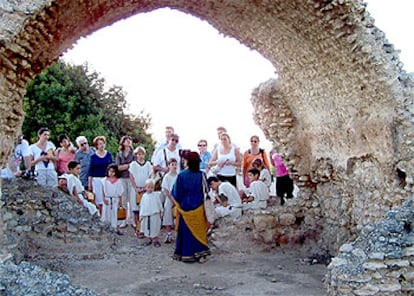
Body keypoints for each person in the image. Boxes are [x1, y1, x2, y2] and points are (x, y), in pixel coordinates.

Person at [171, 151, 211, 263]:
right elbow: (206, 190)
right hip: (198, 207)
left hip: (185, 208)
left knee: (187, 232)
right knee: (199, 231)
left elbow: (176, 193)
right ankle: (201, 255)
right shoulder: (202, 175)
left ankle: (186, 254)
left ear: (188, 161)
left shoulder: (181, 175)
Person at [129, 146, 152, 238]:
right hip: (136, 190)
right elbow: (131, 177)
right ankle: (137, 229)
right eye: (139, 154)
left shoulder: (148, 164)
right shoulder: (133, 164)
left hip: (146, 189)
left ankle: (145, 229)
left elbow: (150, 176)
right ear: (136, 155)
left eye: (142, 154)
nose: (140, 156)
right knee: (136, 211)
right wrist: (136, 188)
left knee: (145, 210)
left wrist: (146, 188)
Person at [88, 136, 113, 214]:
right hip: (97, 180)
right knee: (99, 200)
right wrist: (90, 183)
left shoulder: (108, 155)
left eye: (103, 143)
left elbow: (112, 167)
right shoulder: (93, 157)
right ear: (96, 146)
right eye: (100, 144)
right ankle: (101, 217)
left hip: (107, 179)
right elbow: (90, 171)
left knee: (108, 198)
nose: (102, 145)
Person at [115, 135, 136, 228]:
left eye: (129, 140)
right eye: (126, 140)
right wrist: (128, 165)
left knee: (132, 200)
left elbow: (135, 166)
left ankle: (132, 220)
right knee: (123, 199)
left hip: (132, 178)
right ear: (123, 142)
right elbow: (118, 167)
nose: (128, 142)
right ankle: (123, 220)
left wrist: (125, 166)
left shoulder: (134, 154)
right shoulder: (119, 154)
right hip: (122, 178)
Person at [101, 164, 124, 235]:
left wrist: (120, 202)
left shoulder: (118, 181)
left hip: (115, 199)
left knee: (115, 213)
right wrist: (103, 199)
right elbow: (102, 191)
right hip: (107, 199)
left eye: (113, 172)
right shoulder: (104, 180)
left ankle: (116, 228)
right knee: (106, 213)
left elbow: (120, 193)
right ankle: (106, 228)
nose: (111, 173)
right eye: (110, 171)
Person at [139, 178, 163, 247]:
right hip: (146, 214)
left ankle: (156, 240)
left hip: (154, 214)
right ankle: (149, 239)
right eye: (148, 187)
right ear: (145, 187)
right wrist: (141, 215)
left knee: (155, 227)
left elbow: (159, 204)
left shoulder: (156, 195)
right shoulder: (144, 196)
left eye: (152, 187)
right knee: (147, 227)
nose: (150, 189)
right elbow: (142, 206)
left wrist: (161, 211)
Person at [161, 158, 178, 243]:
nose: (174, 166)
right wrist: (172, 199)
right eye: (172, 164)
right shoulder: (167, 177)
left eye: (175, 164)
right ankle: (168, 233)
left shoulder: (179, 176)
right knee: (167, 211)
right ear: (169, 166)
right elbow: (165, 189)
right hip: (170, 197)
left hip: (178, 197)